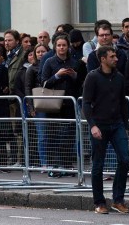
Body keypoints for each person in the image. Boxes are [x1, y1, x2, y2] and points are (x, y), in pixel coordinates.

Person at [82, 45, 129, 215]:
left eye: (115, 56)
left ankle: (118, 199)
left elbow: (123, 102)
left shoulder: (119, 78)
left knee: (124, 159)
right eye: (112, 56)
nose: (115, 59)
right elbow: (86, 104)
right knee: (98, 165)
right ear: (103, 59)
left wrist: (125, 126)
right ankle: (99, 202)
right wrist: (93, 125)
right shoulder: (92, 77)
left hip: (117, 124)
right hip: (99, 124)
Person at [40, 34, 84, 176]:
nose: (61, 48)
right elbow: (44, 83)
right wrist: (57, 75)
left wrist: (74, 76)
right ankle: (55, 165)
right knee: (53, 135)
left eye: (64, 45)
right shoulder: (49, 62)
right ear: (55, 46)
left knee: (68, 135)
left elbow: (81, 83)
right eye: (59, 45)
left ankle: (66, 164)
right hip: (53, 104)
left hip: (70, 103)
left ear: (68, 46)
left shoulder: (75, 62)